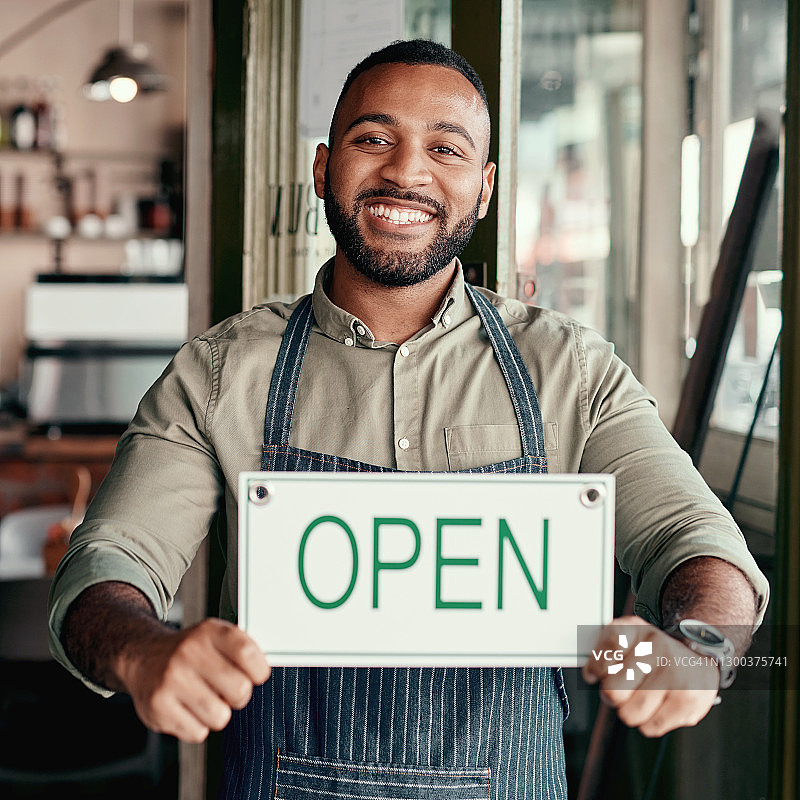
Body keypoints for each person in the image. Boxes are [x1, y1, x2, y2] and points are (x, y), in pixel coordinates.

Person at [49, 39, 768, 798]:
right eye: (374, 138)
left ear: (484, 189)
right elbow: (108, 566)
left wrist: (693, 652)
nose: (406, 171)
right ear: (324, 168)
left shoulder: (571, 371)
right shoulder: (220, 372)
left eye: (445, 149)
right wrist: (143, 653)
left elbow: (698, 544)